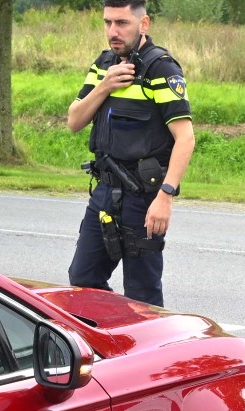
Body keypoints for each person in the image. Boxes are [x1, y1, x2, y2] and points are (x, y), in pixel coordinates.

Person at [65, 0, 195, 308]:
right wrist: (105, 86)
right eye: (108, 22)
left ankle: (150, 350)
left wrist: (165, 196)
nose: (113, 31)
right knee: (82, 280)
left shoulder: (160, 68)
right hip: (105, 191)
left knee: (143, 295)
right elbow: (74, 121)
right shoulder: (103, 65)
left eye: (122, 23)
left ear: (144, 24)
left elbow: (185, 138)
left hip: (144, 196)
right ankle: (117, 340)